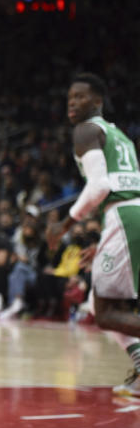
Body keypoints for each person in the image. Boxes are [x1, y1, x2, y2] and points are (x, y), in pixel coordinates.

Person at [47, 73, 140, 396]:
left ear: (97, 101)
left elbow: (101, 186)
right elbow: (122, 188)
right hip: (129, 217)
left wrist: (64, 225)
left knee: (105, 313)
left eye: (80, 97)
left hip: (127, 218)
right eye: (70, 97)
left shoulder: (86, 130)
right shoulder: (120, 135)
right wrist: (105, 239)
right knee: (96, 303)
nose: (72, 103)